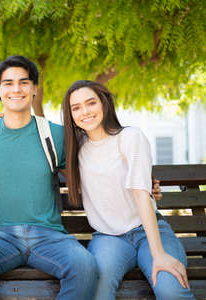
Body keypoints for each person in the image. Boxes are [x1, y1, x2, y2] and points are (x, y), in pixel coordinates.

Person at [0, 56, 99, 300]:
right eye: (8, 83)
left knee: (84, 266)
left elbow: (95, 168)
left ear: (34, 88)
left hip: (50, 236)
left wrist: (143, 182)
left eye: (24, 82)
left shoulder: (54, 134)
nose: (16, 89)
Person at [62, 80, 195, 300]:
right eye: (75, 108)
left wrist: (159, 254)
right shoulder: (75, 148)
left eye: (91, 103)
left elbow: (141, 195)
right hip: (108, 239)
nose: (84, 112)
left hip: (148, 231)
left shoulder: (130, 137)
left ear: (104, 103)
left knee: (171, 289)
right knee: (96, 292)